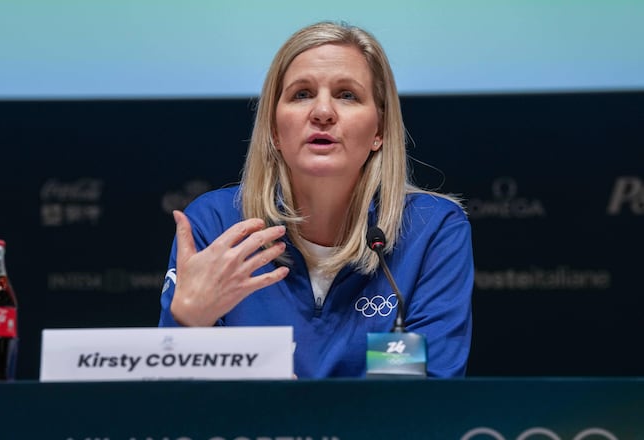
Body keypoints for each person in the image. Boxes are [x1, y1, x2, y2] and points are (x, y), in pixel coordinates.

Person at [158, 21, 473, 378]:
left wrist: (299, 413)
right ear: (275, 130)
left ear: (380, 130)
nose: (322, 112)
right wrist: (187, 324)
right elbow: (179, 410)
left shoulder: (429, 230)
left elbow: (423, 401)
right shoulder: (217, 225)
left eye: (347, 95)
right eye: (302, 94)